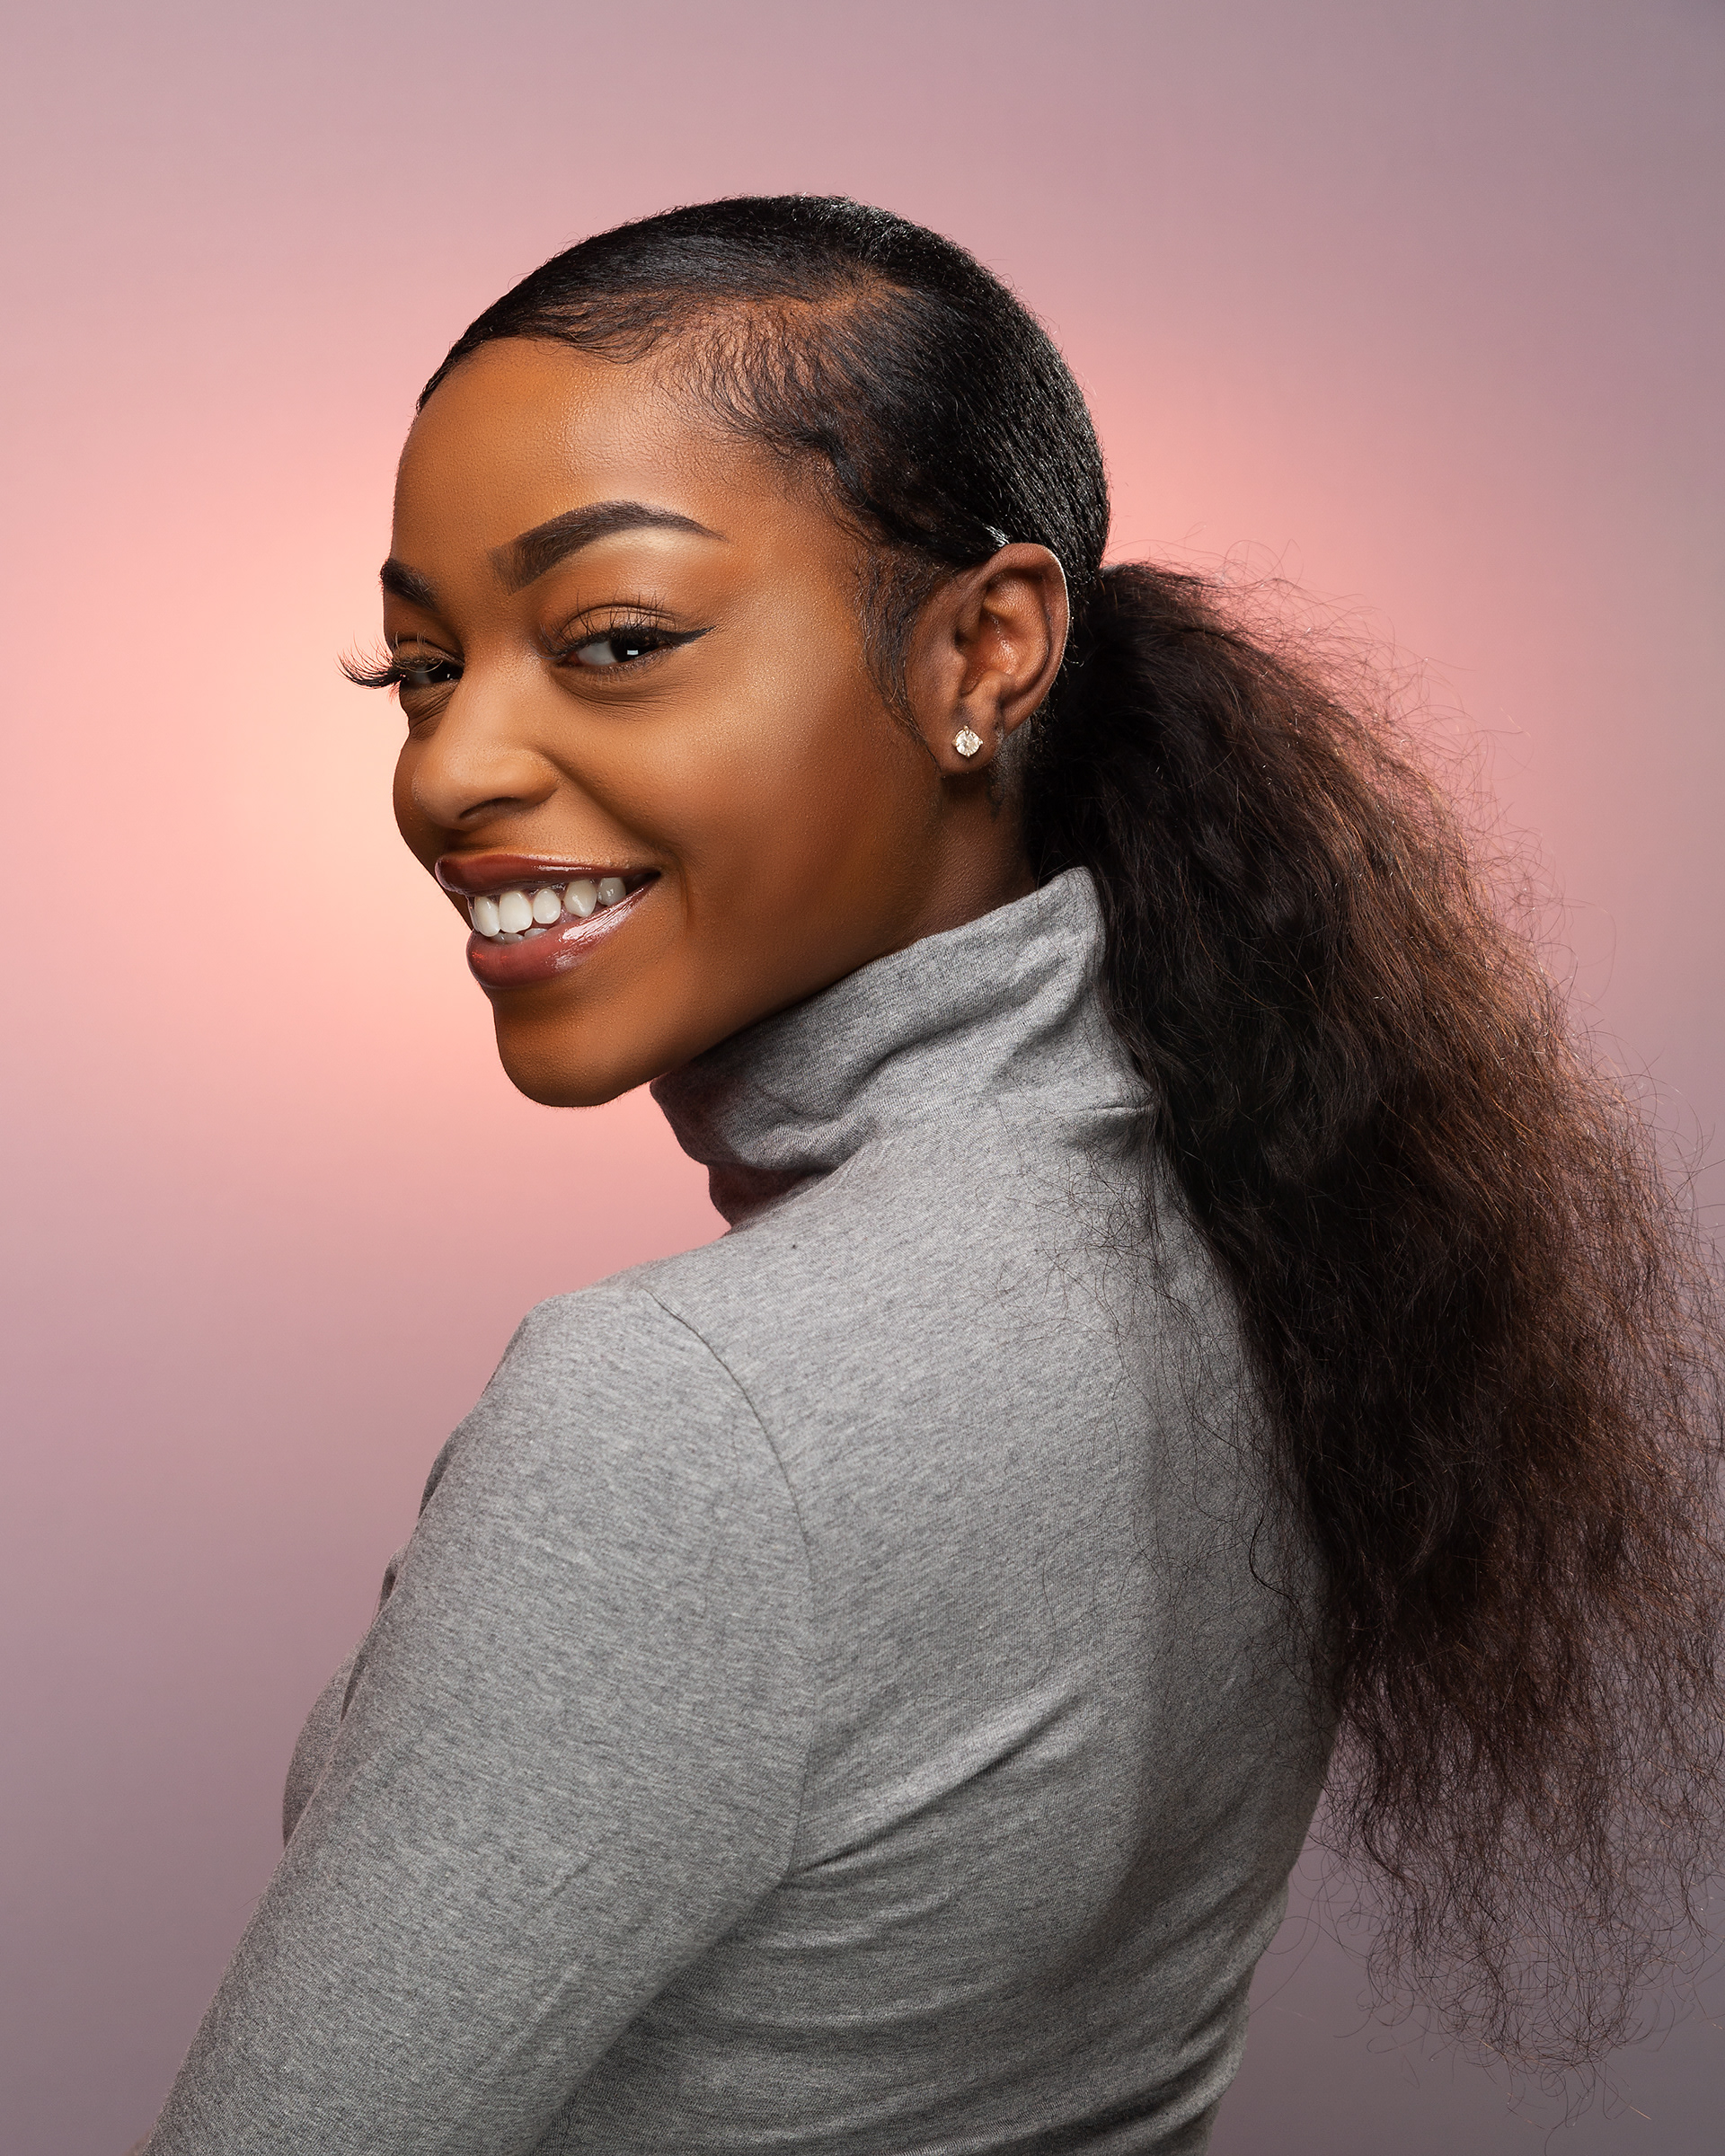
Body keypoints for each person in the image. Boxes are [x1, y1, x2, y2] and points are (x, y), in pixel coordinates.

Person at [137, 197, 1723, 2154]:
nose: (449, 770)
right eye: (418, 669)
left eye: (616, 641)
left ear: (985, 649)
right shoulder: (1267, 1214)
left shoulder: (680, 1415)